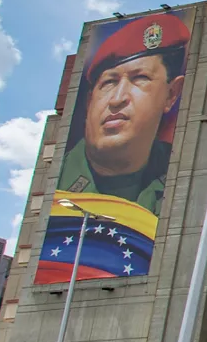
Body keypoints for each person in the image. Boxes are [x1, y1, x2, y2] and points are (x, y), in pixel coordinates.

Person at [58, 12, 190, 215]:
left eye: (140, 78)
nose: (117, 98)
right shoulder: (60, 183)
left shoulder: (182, 176)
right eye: (109, 82)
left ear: (171, 94)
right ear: (88, 102)